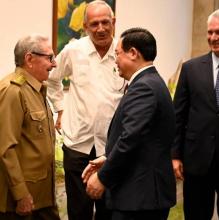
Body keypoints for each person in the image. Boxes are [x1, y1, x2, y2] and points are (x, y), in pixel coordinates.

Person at [82, 27, 176, 220]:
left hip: (140, 198)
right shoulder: (151, 82)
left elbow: (130, 139)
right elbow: (143, 140)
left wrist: (103, 177)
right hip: (141, 195)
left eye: (117, 53)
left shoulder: (144, 87)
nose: (115, 60)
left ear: (133, 53)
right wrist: (108, 158)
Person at [47, 1, 124, 220]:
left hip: (110, 147)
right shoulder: (73, 50)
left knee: (108, 210)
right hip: (78, 144)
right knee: (78, 211)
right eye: (94, 24)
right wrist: (60, 109)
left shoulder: (124, 51)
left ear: (114, 23)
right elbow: (52, 80)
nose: (100, 28)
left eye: (105, 22)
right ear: (85, 26)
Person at [0, 34, 60, 220]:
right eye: (49, 58)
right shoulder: (13, 91)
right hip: (24, 201)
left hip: (42, 196)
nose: (54, 64)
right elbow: (6, 148)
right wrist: (21, 195)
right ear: (29, 59)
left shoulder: (37, 89)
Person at [171, 9, 219, 220]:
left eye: (218, 32)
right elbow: (177, 116)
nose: (213, 38)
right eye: (210, 32)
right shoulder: (190, 69)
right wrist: (174, 156)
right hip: (197, 159)